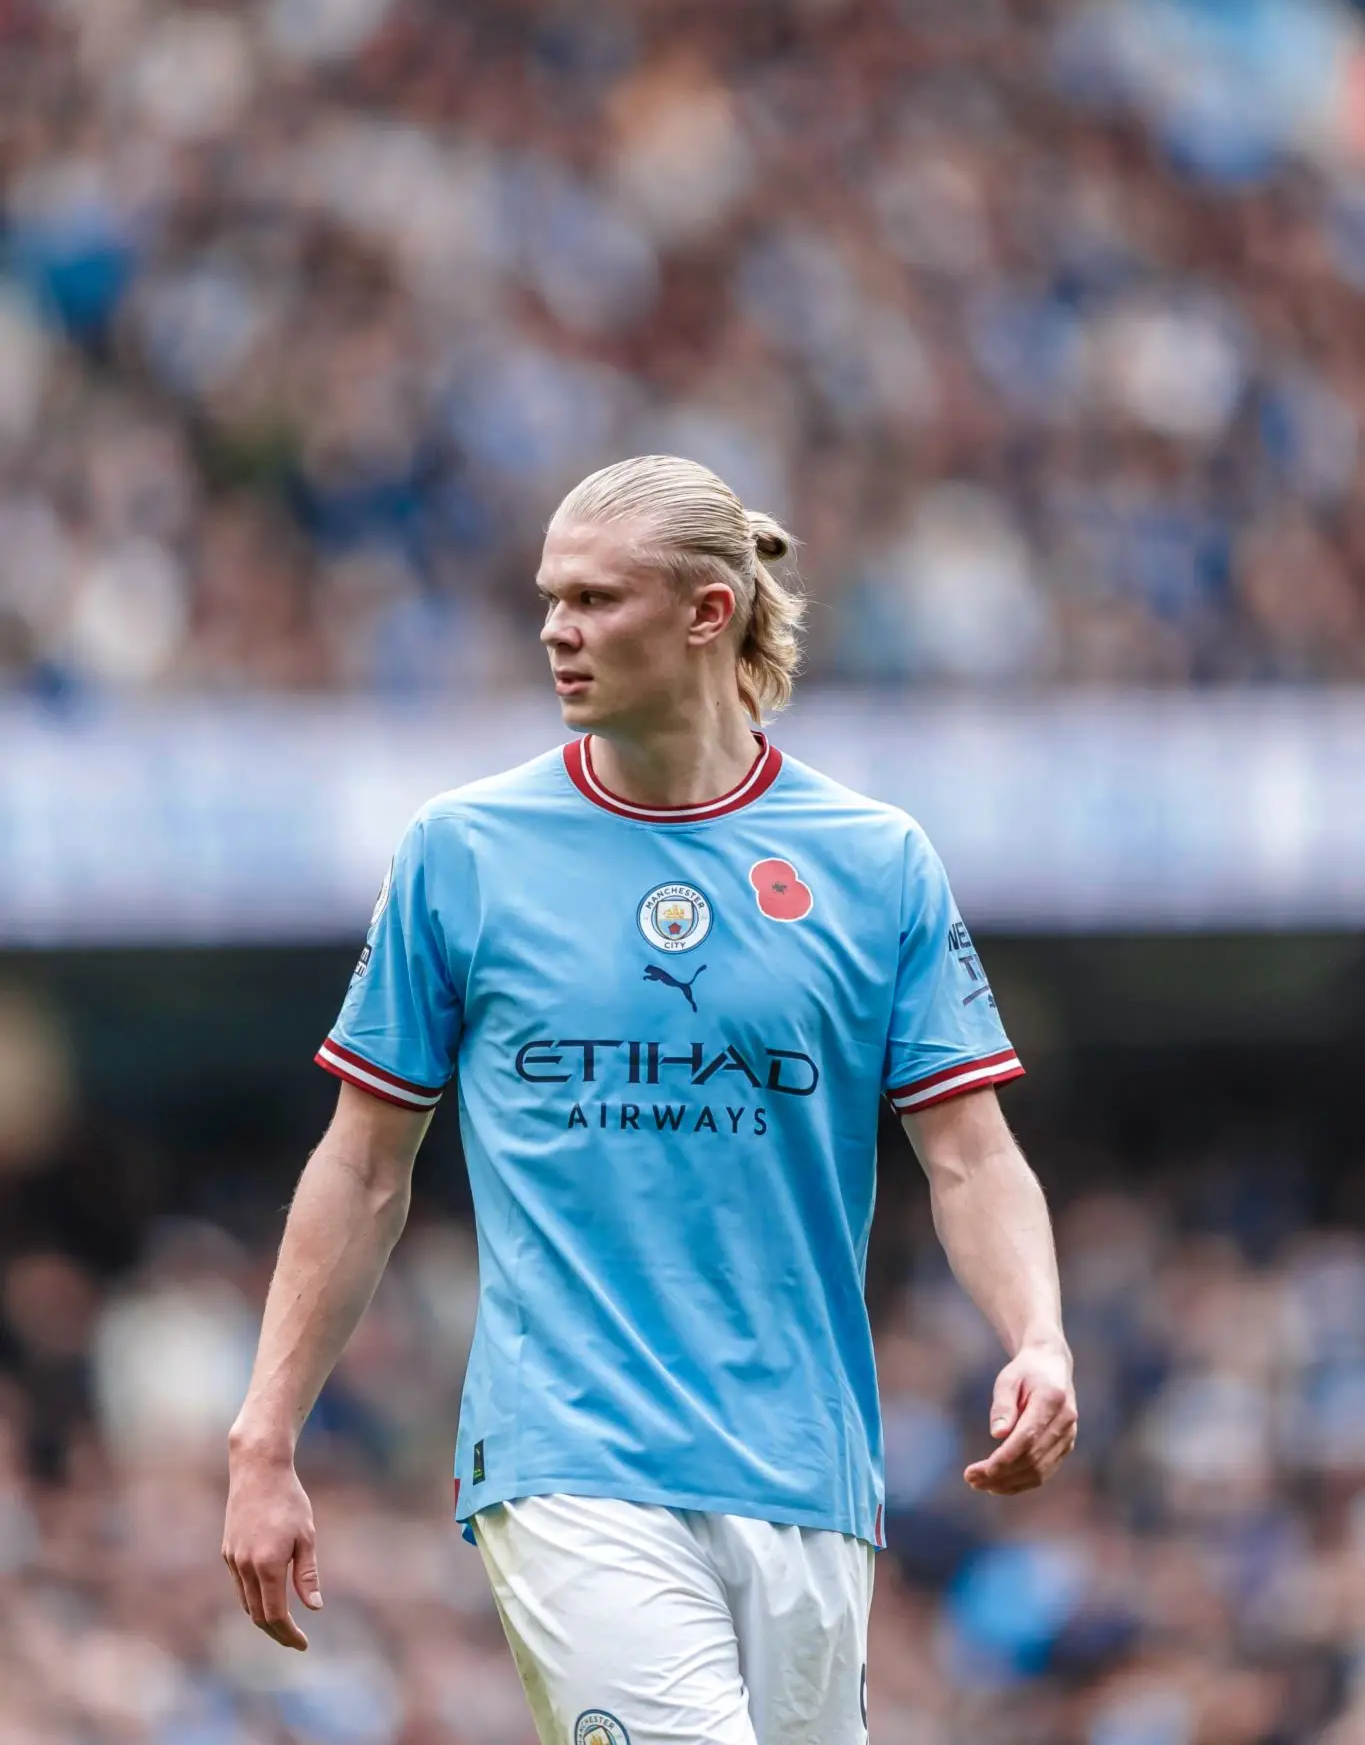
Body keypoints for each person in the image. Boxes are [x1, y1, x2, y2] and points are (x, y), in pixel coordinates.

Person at [222, 454, 1077, 1745]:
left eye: (596, 599)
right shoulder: (465, 852)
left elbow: (968, 1157)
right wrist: (263, 1438)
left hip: (809, 1469)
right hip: (569, 1458)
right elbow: (362, 1169)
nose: (557, 631)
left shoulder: (873, 861)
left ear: (706, 614)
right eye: (549, 599)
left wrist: (1040, 1337)